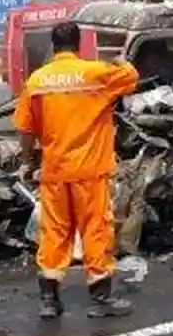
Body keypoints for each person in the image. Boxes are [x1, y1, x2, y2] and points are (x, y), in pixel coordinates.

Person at [12, 20, 140, 320]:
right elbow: (131, 76)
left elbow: (25, 129)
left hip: (55, 171)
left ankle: (49, 300)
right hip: (90, 171)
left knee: (54, 232)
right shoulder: (95, 74)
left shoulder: (37, 80)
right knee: (95, 229)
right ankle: (101, 296)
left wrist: (28, 161)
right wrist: (118, 59)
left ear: (52, 46)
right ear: (79, 45)